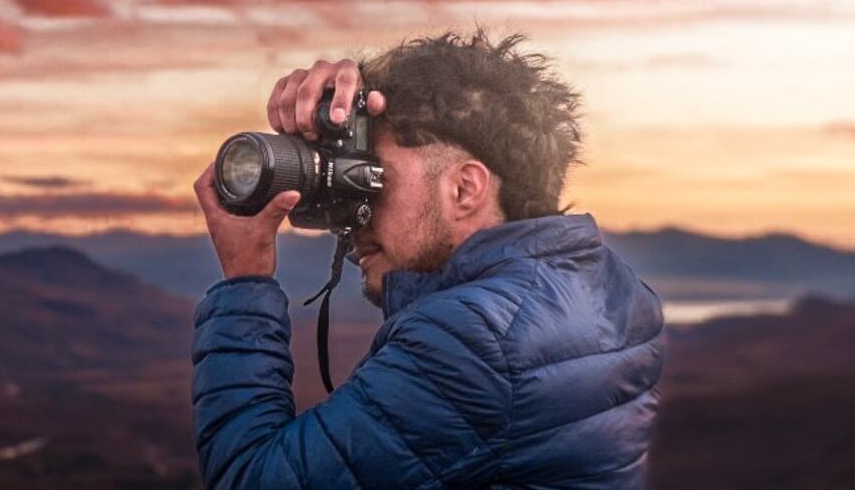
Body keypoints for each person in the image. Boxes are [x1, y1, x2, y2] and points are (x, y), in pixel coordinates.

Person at [192, 31, 665, 489]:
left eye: (374, 178)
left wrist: (245, 279)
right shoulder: (602, 288)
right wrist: (344, 114)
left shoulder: (475, 340)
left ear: (464, 188)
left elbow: (252, 478)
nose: (354, 216)